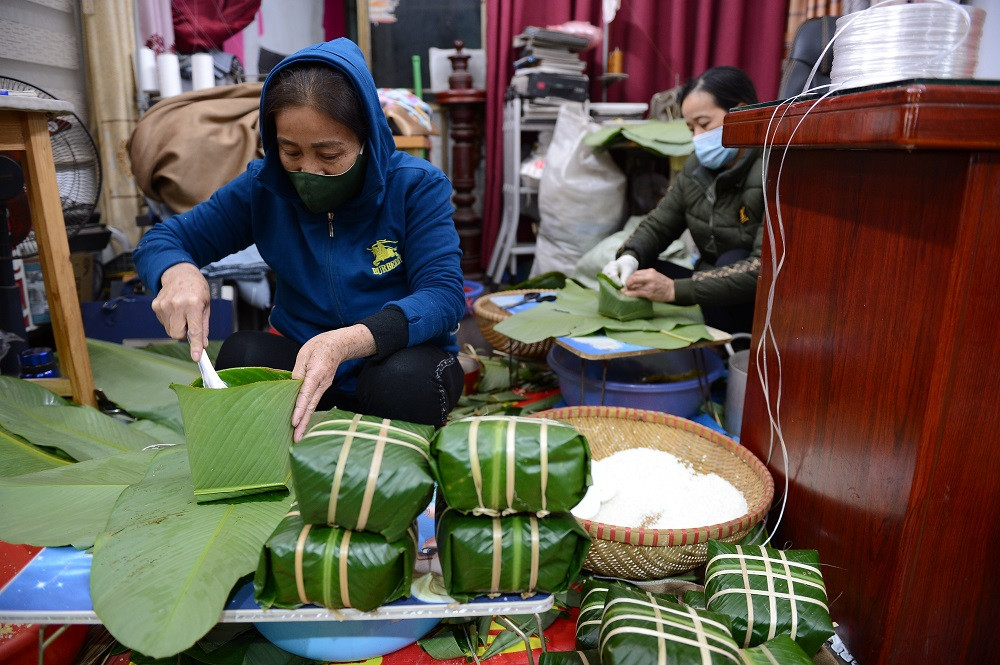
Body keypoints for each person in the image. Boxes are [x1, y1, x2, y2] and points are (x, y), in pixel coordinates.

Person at [134, 38, 465, 441]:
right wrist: (178, 271)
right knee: (242, 355)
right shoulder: (264, 188)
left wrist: (348, 342)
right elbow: (162, 239)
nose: (308, 171)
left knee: (403, 381)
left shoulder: (416, 186)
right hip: (305, 368)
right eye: (290, 152)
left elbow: (444, 296)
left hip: (398, 361)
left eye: (329, 155)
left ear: (367, 139)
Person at [601, 66, 763, 333]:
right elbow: (660, 224)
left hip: (752, 298)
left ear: (741, 112)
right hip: (707, 285)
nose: (697, 137)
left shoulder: (772, 170)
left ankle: (734, 344)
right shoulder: (695, 169)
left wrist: (673, 290)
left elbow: (762, 269)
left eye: (704, 124)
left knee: (732, 258)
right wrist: (630, 256)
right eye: (690, 128)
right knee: (640, 272)